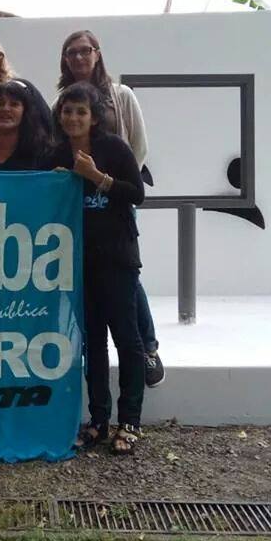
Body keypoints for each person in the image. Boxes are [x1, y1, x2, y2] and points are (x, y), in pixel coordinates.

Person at [58, 30, 163, 387]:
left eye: (84, 51)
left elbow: (137, 146)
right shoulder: (62, 100)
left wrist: (108, 180)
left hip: (115, 196)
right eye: (71, 53)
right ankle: (100, 408)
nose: (78, 57)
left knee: (126, 276)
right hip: (81, 205)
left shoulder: (121, 95)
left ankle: (148, 347)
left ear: (97, 53)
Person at [48, 82, 145, 454]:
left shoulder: (114, 148)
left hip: (117, 259)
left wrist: (96, 177)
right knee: (93, 343)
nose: (73, 118)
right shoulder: (55, 153)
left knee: (127, 339)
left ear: (94, 117)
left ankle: (130, 421)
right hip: (78, 263)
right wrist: (56, 183)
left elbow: (136, 194)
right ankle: (99, 420)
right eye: (67, 111)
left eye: (81, 111)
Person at [0, 80, 52, 170]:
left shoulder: (43, 154)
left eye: (14, 104)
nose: (6, 109)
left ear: (25, 111)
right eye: (0, 104)